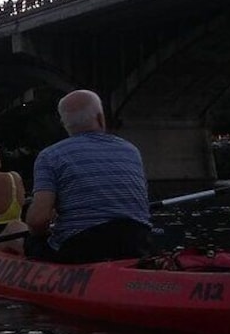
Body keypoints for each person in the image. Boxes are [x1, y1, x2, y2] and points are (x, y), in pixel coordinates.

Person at [24, 90, 153, 263]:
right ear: (100, 118)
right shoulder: (131, 150)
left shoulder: (50, 156)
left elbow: (38, 221)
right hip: (136, 242)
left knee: (33, 242)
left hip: (82, 249)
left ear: (64, 123)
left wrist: (44, 230)